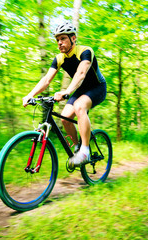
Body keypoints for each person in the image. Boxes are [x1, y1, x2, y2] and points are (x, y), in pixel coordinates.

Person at [22, 21, 106, 169]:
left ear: (73, 38)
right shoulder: (60, 58)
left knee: (79, 107)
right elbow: (47, 79)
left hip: (97, 87)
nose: (59, 43)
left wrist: (67, 92)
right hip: (80, 90)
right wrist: (30, 94)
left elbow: (80, 74)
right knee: (65, 118)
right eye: (57, 40)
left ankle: (85, 151)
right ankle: (77, 148)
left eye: (63, 39)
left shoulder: (85, 51)